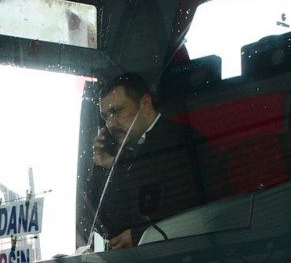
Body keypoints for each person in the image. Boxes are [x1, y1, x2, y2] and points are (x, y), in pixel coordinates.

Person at [86, 72, 207, 249]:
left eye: (117, 111)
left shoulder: (181, 141)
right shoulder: (123, 154)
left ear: (145, 104)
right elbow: (101, 220)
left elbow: (191, 208)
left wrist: (139, 235)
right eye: (105, 117)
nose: (110, 124)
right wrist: (103, 166)